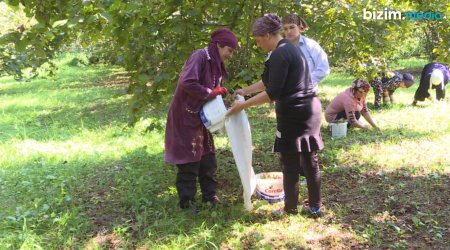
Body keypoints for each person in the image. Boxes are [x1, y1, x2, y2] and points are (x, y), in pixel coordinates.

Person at [227, 14, 324, 217]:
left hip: (295, 114)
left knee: (290, 162)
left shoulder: (280, 53)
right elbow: (267, 82)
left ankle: (290, 209)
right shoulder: (285, 50)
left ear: (269, 35)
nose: (258, 44)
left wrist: (241, 107)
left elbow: (273, 93)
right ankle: (315, 207)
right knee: (309, 160)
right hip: (309, 110)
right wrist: (244, 92)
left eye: (259, 40)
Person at [164, 28, 238, 212]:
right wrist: (210, 92)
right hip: (186, 115)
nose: (230, 55)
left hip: (203, 116)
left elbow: (213, 86)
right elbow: (187, 82)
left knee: (207, 157)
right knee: (189, 160)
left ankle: (210, 196)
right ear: (218, 45)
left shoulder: (215, 63)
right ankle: (187, 202)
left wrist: (219, 97)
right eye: (229, 50)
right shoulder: (199, 56)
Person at [282, 13, 330, 93]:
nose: (289, 31)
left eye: (292, 27)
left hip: (307, 96)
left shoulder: (311, 45)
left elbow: (323, 69)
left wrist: (303, 82)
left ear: (300, 27)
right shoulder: (279, 48)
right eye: (285, 29)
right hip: (285, 97)